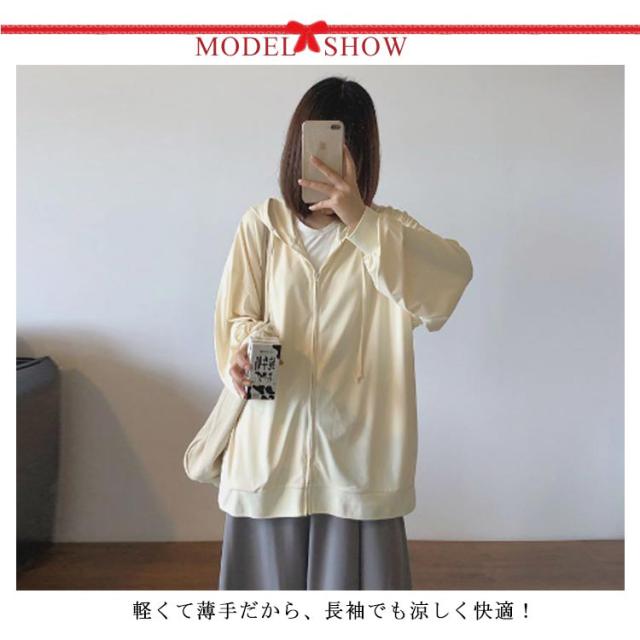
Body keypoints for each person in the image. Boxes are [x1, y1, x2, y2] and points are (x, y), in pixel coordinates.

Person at [214, 76, 473, 590]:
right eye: (318, 145)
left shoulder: (387, 234)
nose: (329, 163)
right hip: (270, 461)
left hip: (358, 470)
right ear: (297, 147)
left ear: (364, 156)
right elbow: (233, 321)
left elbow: (451, 279)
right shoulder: (261, 226)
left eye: (342, 148)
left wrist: (360, 220)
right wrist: (241, 354)